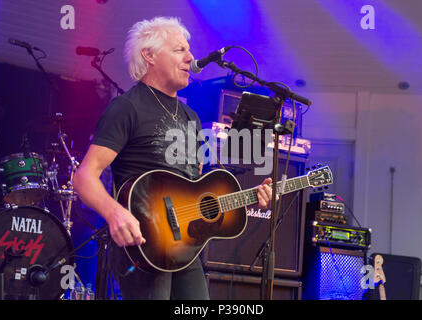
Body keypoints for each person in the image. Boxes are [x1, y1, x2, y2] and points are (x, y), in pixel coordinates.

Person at [73, 16, 274, 300]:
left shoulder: (191, 118)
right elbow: (84, 177)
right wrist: (114, 212)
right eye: (179, 50)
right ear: (149, 55)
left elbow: (199, 188)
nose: (191, 57)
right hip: (145, 246)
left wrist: (253, 195)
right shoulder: (127, 107)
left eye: (188, 50)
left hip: (186, 249)